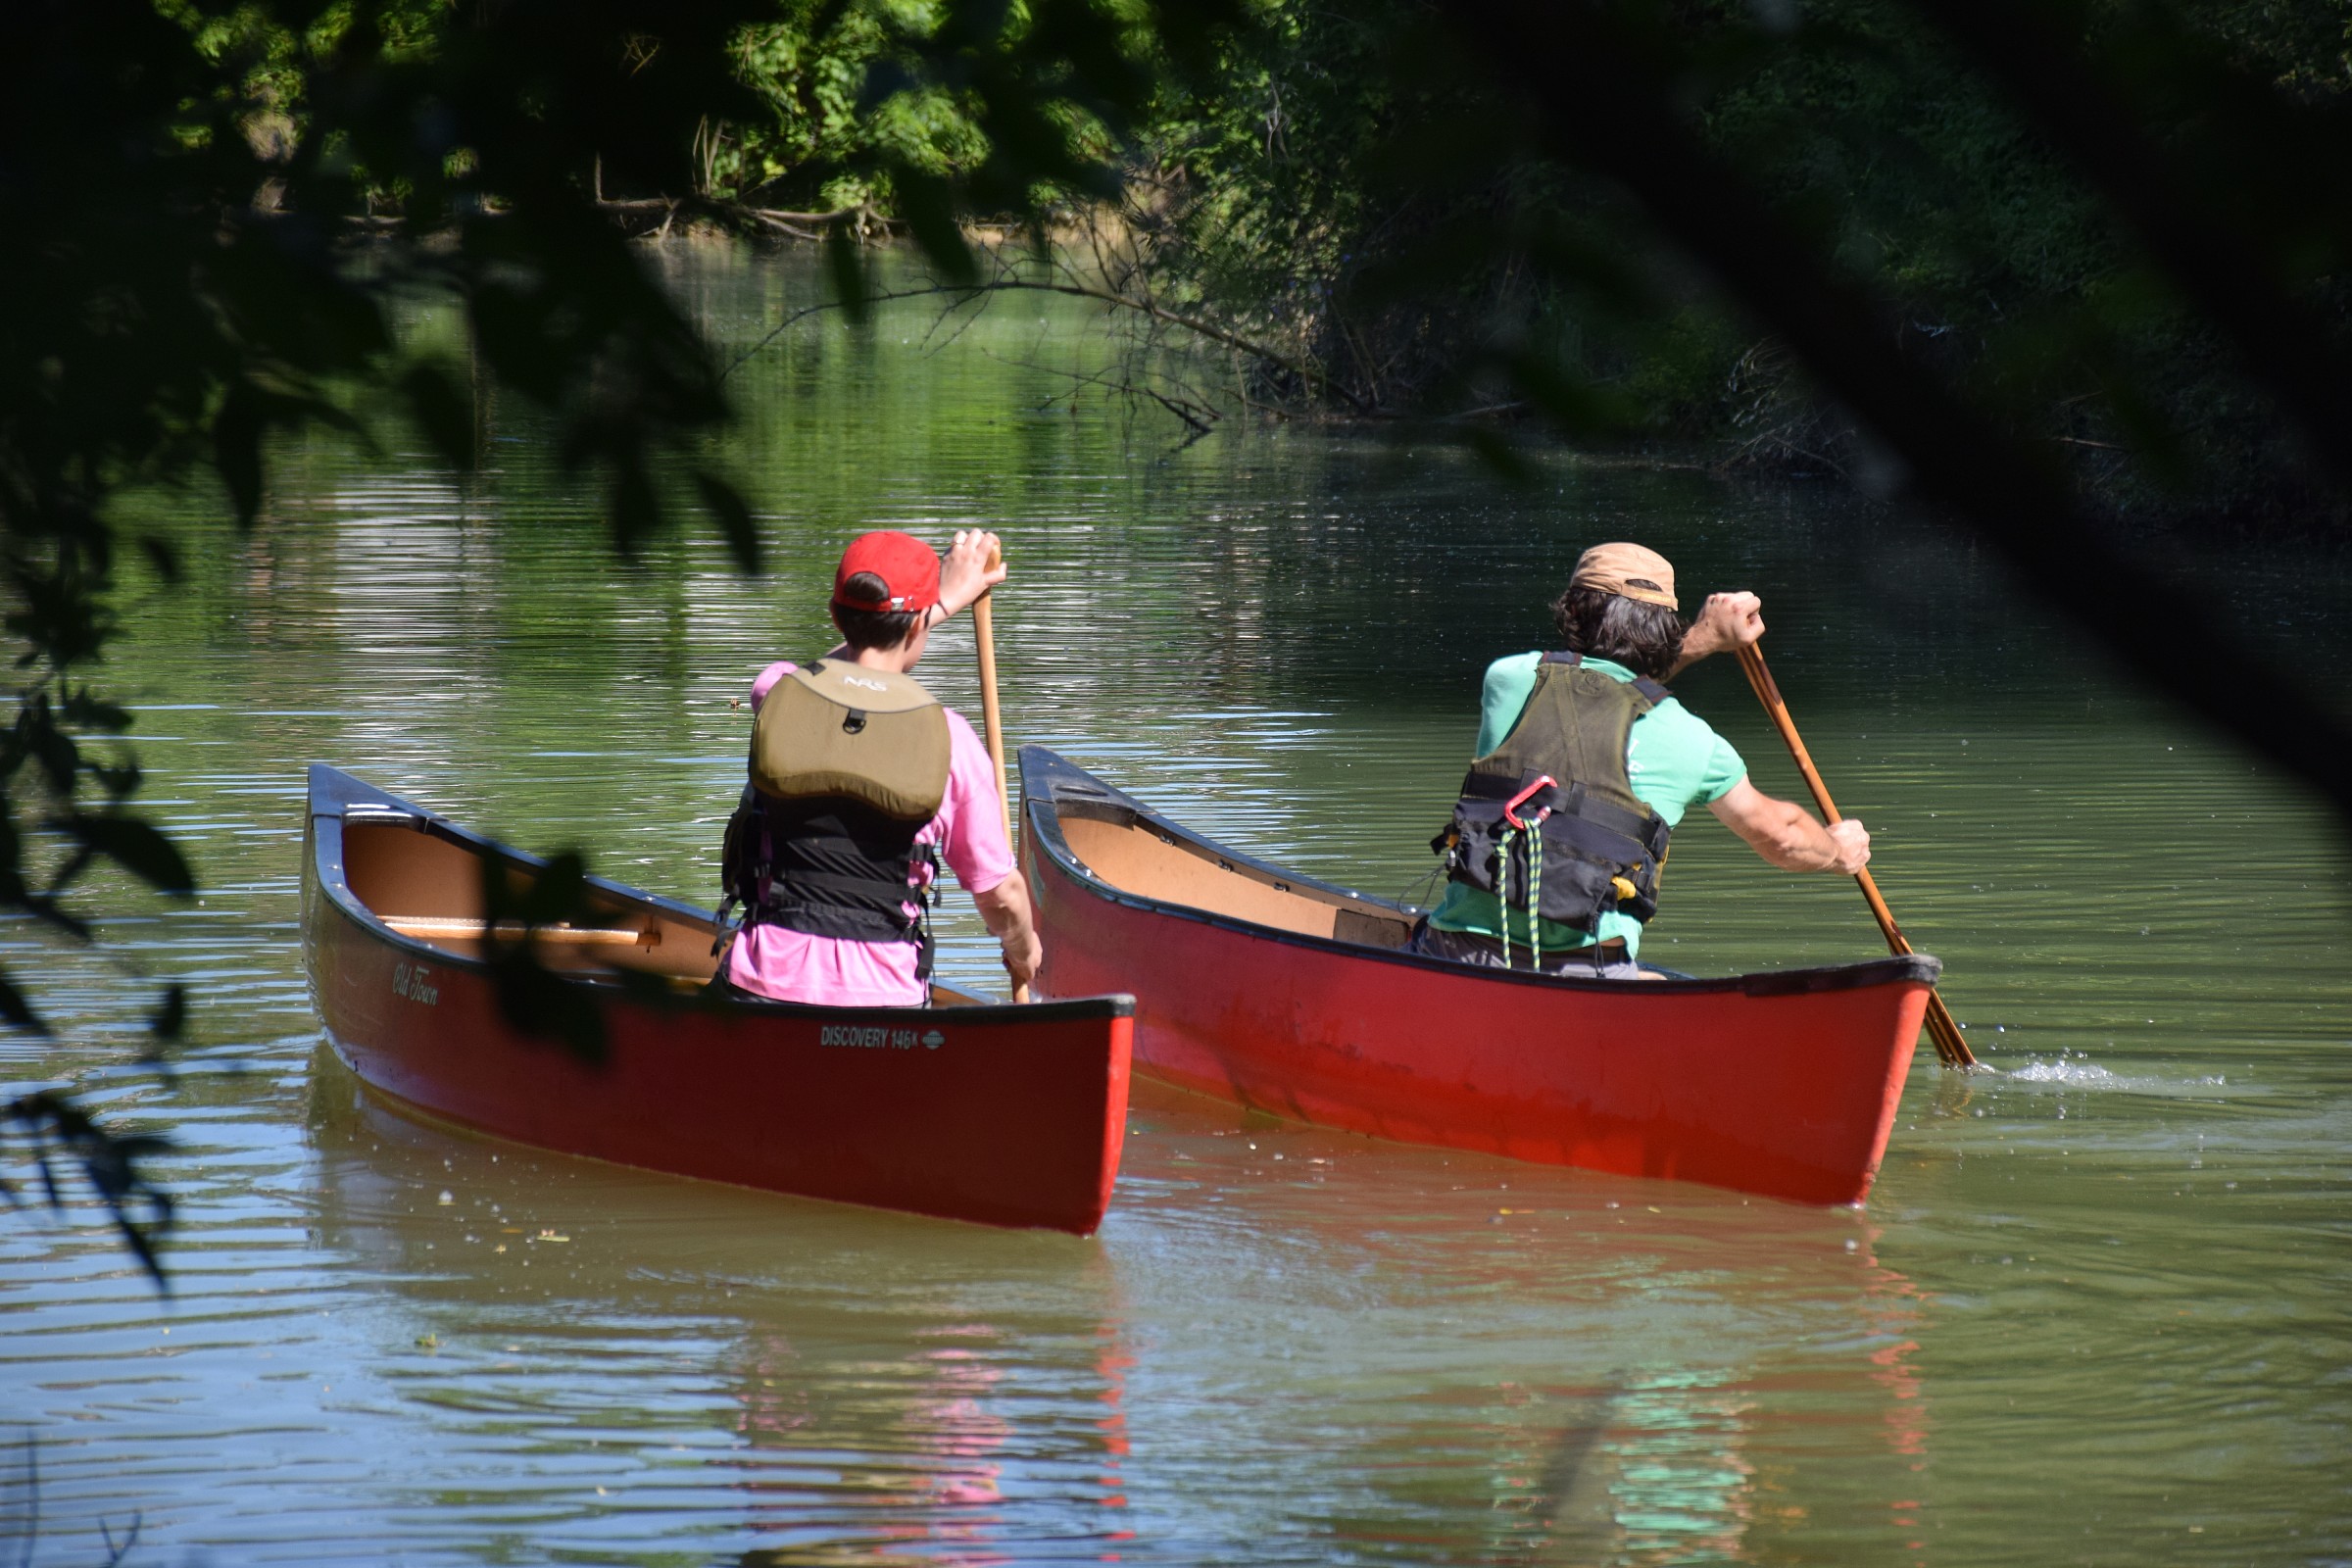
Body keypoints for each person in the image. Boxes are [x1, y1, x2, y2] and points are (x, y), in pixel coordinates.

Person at [1414, 541, 1871, 978]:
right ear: (1667, 629)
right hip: (1593, 974)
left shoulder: (1509, 679)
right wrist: (1836, 852)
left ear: (1572, 610)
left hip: (1454, 954)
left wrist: (1706, 639)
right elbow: (1783, 837)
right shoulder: (1694, 742)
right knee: (1655, 986)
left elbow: (1601, 690)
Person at [715, 528, 1043, 1007]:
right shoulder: (951, 740)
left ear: (834, 616)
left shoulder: (778, 694)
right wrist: (1025, 949)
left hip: (758, 986)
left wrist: (939, 604)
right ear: (917, 627)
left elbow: (824, 676)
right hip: (885, 1001)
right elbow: (1000, 896)